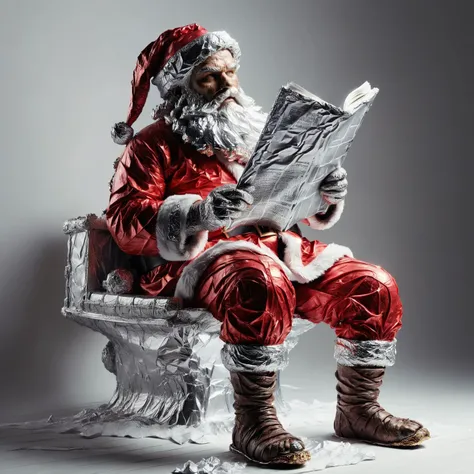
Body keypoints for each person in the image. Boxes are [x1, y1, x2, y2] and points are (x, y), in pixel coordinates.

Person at [106, 23, 429, 467]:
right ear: (179, 89)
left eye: (230, 74)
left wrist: (323, 190)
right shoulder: (150, 146)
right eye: (209, 78)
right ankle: (254, 422)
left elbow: (286, 200)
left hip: (281, 249)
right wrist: (200, 213)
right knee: (260, 284)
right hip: (204, 262)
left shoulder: (253, 134)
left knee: (372, 285)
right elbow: (124, 221)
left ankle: (358, 410)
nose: (226, 87)